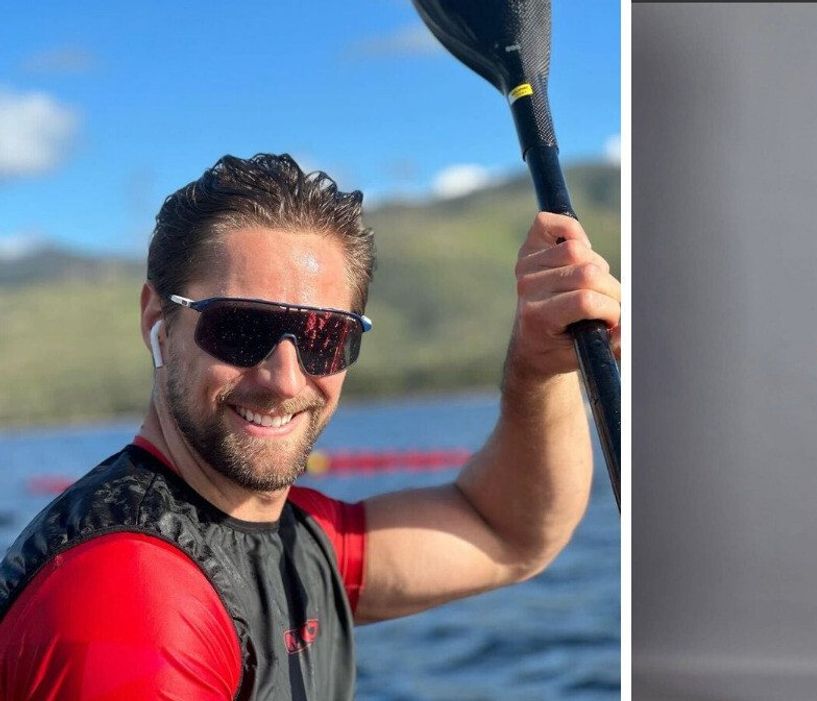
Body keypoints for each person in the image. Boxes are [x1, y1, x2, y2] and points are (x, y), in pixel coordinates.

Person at [0, 153, 622, 699]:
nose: (286, 379)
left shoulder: (292, 538)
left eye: (327, 338)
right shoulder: (131, 603)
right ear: (156, 318)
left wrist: (542, 366)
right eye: (240, 328)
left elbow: (506, 532)